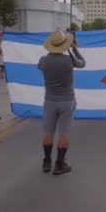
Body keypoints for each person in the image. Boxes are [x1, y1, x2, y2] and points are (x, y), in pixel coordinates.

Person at [38, 31, 85, 175]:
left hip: (50, 101)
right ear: (65, 45)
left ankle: (47, 161)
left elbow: (40, 66)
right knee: (64, 133)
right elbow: (82, 63)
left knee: (48, 132)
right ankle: (59, 164)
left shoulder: (43, 60)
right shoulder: (69, 61)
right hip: (67, 101)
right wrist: (74, 49)